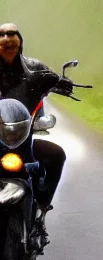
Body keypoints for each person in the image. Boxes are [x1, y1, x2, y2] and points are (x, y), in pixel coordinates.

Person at [0, 22, 73, 209]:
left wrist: (62, 83)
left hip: (24, 138)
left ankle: (42, 203)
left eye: (12, 34)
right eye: (2, 35)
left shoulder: (34, 66)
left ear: (20, 40)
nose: (7, 39)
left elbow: (52, 78)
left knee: (57, 155)